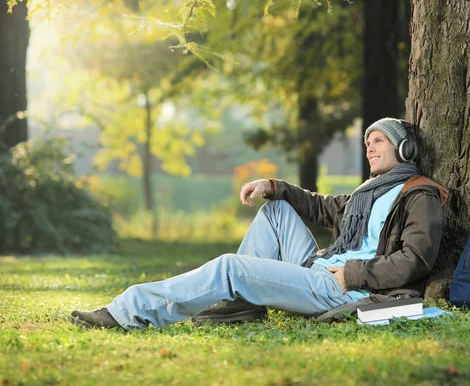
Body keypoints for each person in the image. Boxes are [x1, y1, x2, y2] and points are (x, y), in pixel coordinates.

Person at [71, 118, 448, 330]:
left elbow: (415, 259)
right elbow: (320, 207)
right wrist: (274, 186)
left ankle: (127, 312)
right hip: (321, 268)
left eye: (379, 140)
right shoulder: (368, 194)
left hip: (345, 288)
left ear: (405, 150)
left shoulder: (419, 195)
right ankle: (241, 304)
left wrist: (350, 274)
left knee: (230, 266)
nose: (369, 147)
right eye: (367, 141)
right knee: (277, 210)